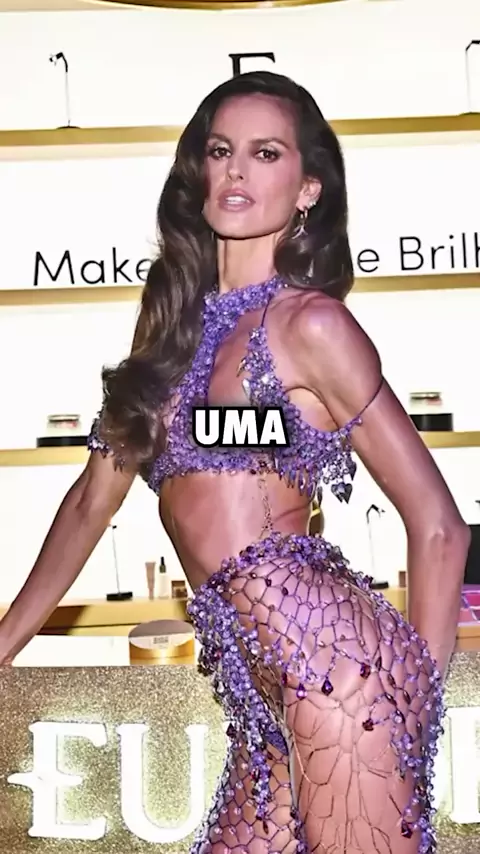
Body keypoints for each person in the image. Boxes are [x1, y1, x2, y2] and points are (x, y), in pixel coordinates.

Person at [0, 71, 469, 854]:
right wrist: (6, 642)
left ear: (309, 188)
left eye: (266, 152)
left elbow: (440, 526)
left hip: (341, 680)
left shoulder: (311, 326)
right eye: (221, 151)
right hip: (261, 709)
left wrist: (412, 702)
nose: (237, 170)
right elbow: (90, 503)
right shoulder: (166, 337)